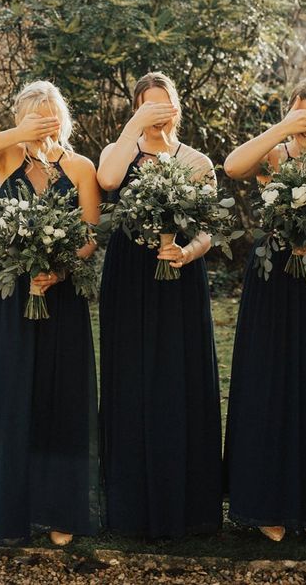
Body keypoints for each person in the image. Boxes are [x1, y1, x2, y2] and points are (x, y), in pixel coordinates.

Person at [0, 80, 101, 545]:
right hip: (10, 298)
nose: (42, 122)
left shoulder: (80, 166)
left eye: (50, 114)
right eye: (33, 114)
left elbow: (90, 236)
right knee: (13, 402)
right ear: (20, 117)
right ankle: (14, 514)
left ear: (63, 118)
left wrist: (58, 270)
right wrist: (17, 135)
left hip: (63, 300)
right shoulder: (6, 157)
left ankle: (61, 513)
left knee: (62, 399)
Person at [97, 71, 223, 538]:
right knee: (130, 379)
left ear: (178, 107)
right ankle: (131, 505)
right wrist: (135, 127)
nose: (157, 113)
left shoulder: (196, 160)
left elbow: (208, 228)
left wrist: (188, 252)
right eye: (147, 105)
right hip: (129, 279)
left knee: (179, 379)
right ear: (136, 108)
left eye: (164, 104)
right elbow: (108, 180)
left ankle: (187, 506)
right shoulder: (120, 152)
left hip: (180, 281)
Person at [223, 80, 306, 542]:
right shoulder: (275, 155)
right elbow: (233, 165)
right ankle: (265, 503)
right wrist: (282, 128)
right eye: (303, 115)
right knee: (270, 380)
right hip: (273, 277)